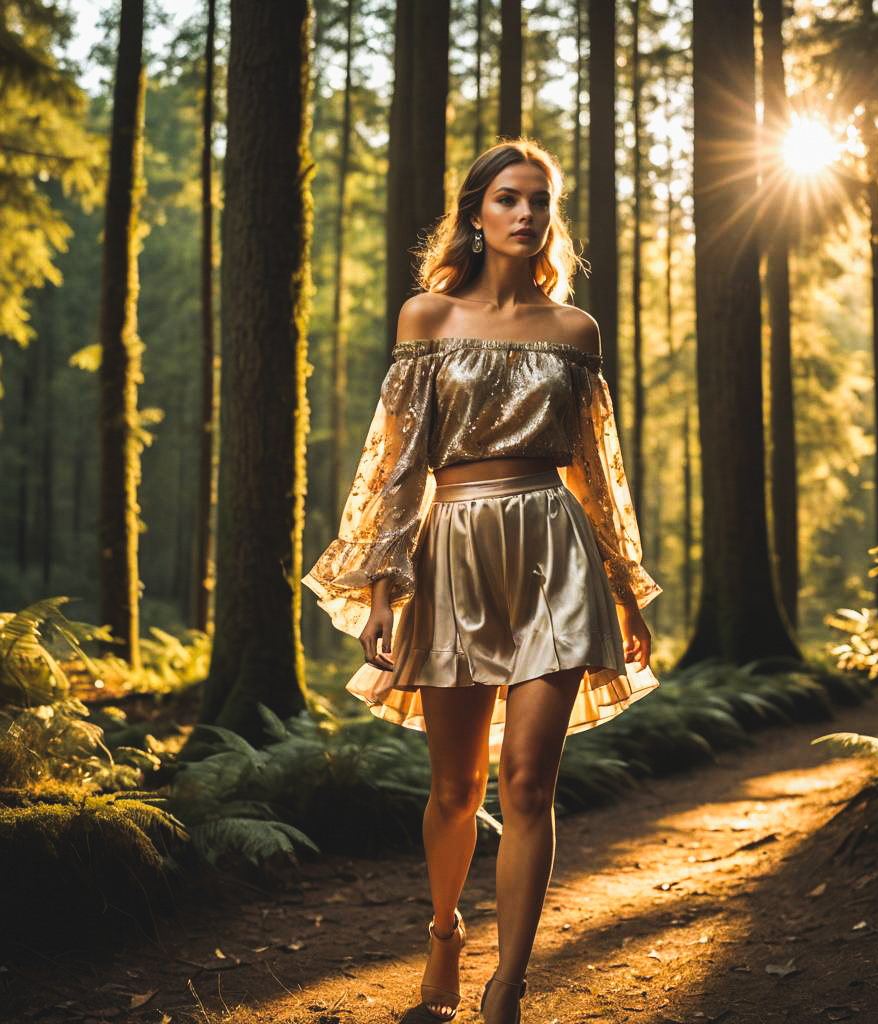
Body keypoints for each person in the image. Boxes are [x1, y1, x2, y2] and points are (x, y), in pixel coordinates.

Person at [302, 139, 662, 1024]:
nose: (527, 213)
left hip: (554, 550)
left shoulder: (574, 332)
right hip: (451, 551)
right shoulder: (426, 318)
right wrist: (382, 586)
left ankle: (509, 983)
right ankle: (443, 932)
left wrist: (622, 583)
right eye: (509, 197)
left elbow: (597, 469)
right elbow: (395, 464)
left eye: (541, 200)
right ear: (476, 212)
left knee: (529, 783)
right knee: (455, 789)